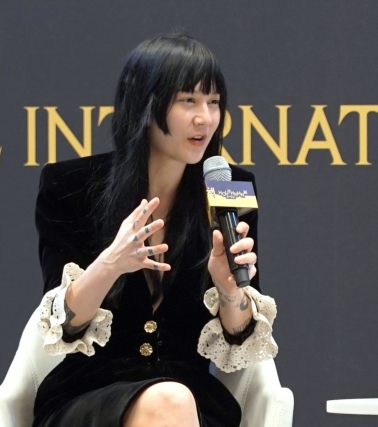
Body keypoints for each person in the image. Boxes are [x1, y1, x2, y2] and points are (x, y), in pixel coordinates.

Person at [33, 33, 278, 427]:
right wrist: (111, 263)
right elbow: (67, 324)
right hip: (89, 398)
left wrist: (231, 292)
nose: (205, 118)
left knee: (174, 400)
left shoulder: (228, 187)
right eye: (188, 101)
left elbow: (237, 336)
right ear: (145, 105)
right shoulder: (70, 186)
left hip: (193, 400)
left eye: (213, 103)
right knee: (169, 401)